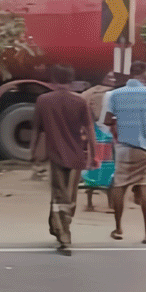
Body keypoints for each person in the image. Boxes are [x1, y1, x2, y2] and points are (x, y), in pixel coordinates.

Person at [30, 65, 96, 254]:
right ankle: (62, 231)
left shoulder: (43, 100)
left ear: (53, 80)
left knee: (60, 196)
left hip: (56, 155)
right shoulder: (79, 101)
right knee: (69, 197)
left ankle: (62, 233)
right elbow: (90, 130)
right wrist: (94, 154)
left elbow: (36, 129)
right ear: (72, 80)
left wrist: (32, 151)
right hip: (77, 155)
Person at [104, 61, 146, 244]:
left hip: (123, 147)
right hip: (144, 146)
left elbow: (108, 120)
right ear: (145, 73)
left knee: (120, 186)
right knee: (145, 186)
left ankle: (118, 229)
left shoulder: (115, 94)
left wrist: (122, 121)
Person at [80, 72, 118, 197]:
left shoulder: (88, 93)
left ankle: (92, 185)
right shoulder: (114, 94)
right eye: (110, 77)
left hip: (96, 131)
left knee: (96, 159)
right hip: (107, 132)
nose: (113, 79)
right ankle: (106, 186)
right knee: (107, 162)